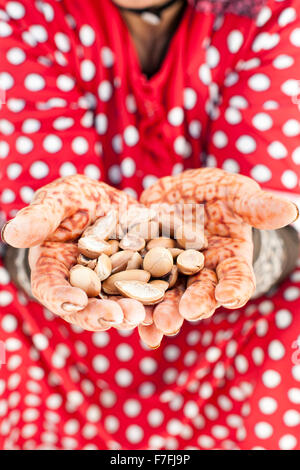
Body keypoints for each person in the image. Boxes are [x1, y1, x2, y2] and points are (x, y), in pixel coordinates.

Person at [0, 0, 299, 450]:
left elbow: (283, 228)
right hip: (52, 362)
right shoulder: (23, 13)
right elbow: (25, 227)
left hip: (241, 360)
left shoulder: (269, 11)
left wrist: (251, 249)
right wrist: (37, 252)